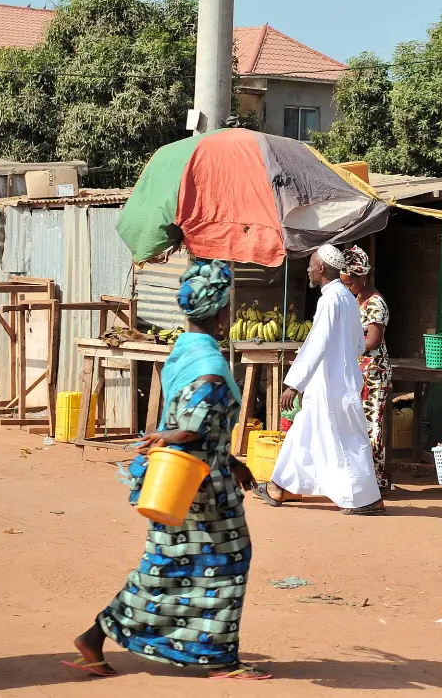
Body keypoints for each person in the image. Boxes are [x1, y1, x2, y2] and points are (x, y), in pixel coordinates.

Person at [69, 258, 269, 681]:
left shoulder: (186, 351)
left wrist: (232, 461)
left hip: (185, 480)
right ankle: (217, 659)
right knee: (227, 562)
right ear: (221, 312)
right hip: (199, 488)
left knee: (167, 565)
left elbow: (197, 425)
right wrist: (177, 438)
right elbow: (193, 425)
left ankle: (96, 634)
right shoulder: (211, 369)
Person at [254, 245, 384, 515]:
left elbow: (317, 343)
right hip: (338, 380)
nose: (309, 270)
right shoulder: (347, 298)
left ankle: (367, 499)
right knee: (304, 431)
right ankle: (280, 486)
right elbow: (359, 343)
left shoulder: (330, 300)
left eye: (311, 265)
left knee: (347, 440)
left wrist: (295, 383)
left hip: (331, 385)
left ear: (322, 268)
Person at [341, 245, 392, 493]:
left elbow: (372, 341)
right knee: (358, 423)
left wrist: (347, 345)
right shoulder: (358, 300)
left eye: (349, 283)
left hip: (374, 372)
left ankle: (377, 480)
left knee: (373, 424)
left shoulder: (376, 303)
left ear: (361, 278)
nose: (347, 287)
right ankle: (361, 477)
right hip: (360, 371)